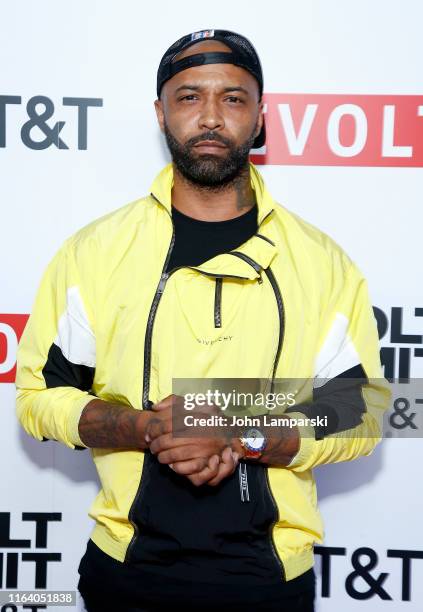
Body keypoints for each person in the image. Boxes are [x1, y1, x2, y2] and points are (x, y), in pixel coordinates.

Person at [15, 29, 389, 612]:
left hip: (268, 578)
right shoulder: (94, 252)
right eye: (189, 97)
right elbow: (38, 397)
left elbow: (363, 410)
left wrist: (240, 429)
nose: (211, 116)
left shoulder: (322, 262)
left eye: (233, 98)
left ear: (261, 117)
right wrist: (149, 429)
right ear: (160, 114)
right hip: (126, 569)